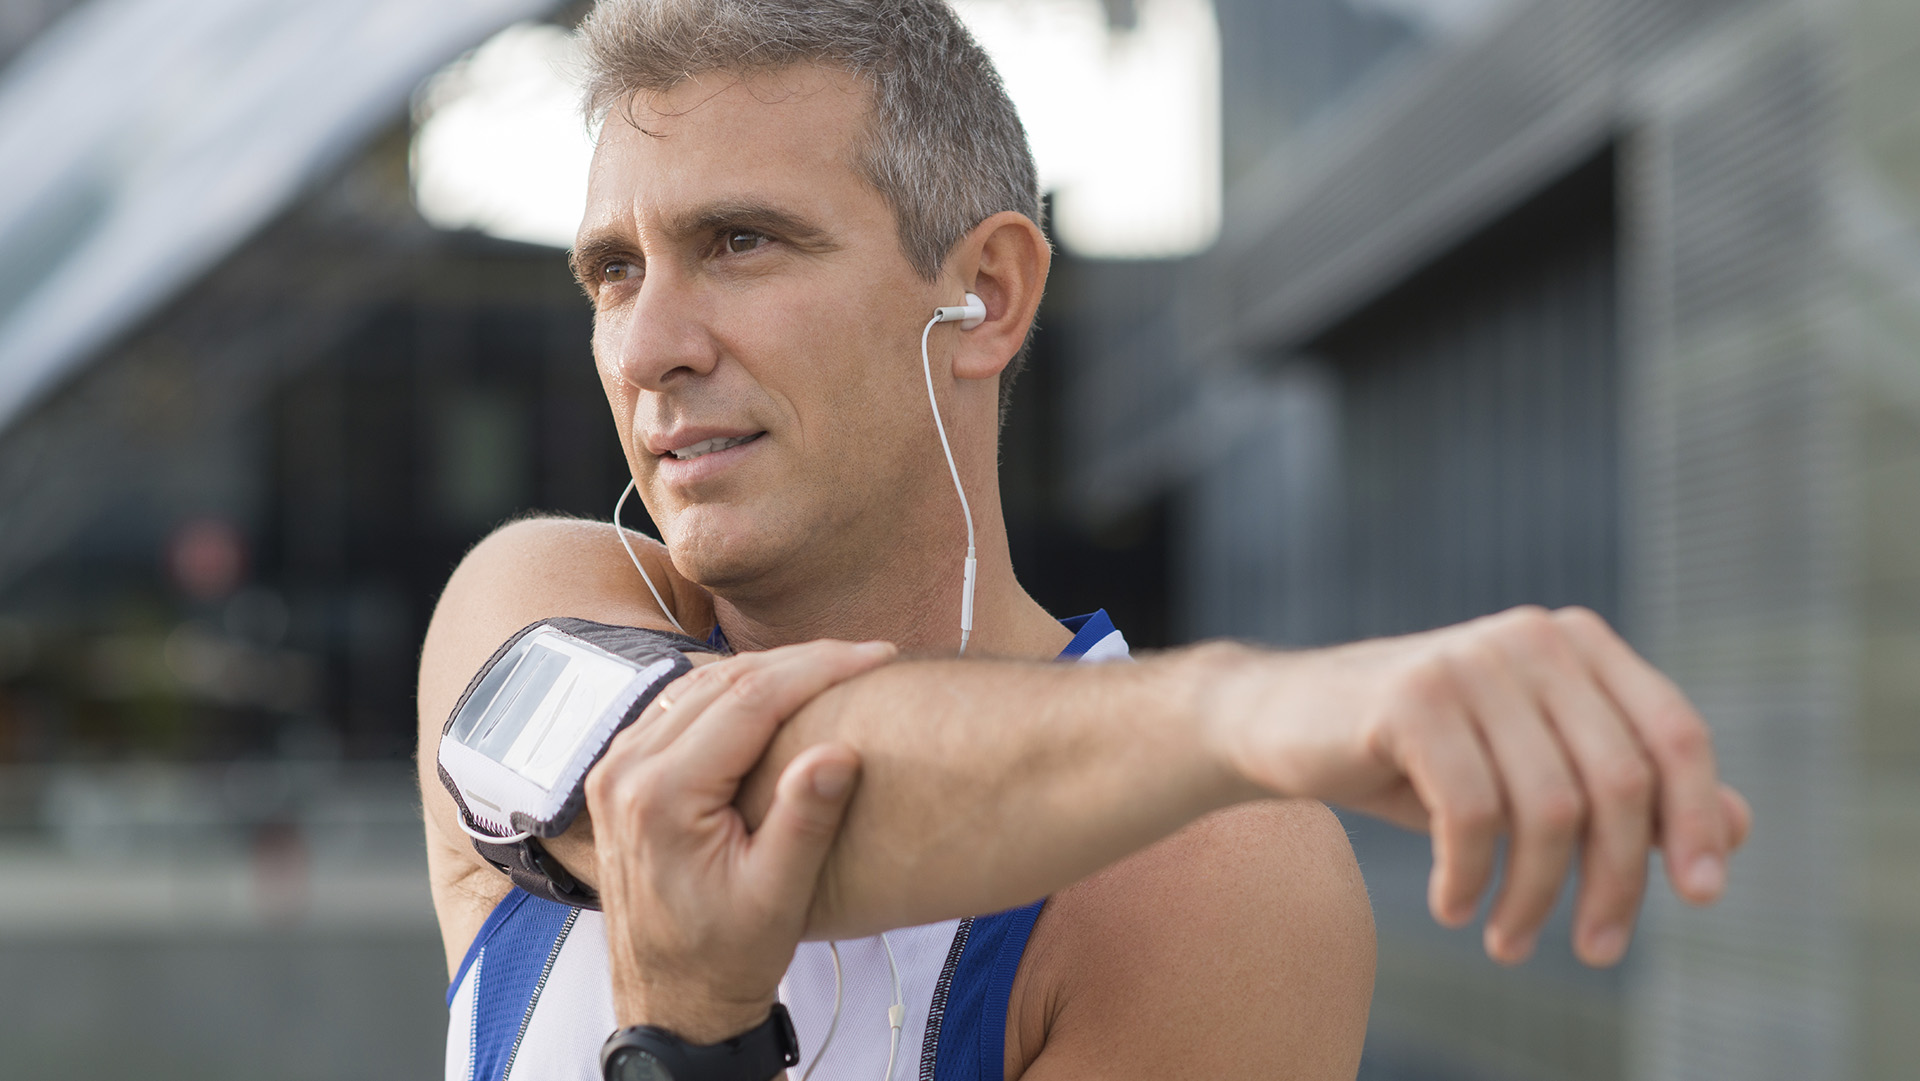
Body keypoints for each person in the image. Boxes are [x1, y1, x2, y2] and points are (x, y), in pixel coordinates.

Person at [416, 2, 1752, 1078]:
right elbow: (738, 775)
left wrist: (694, 1045)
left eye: (742, 241)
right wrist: (1249, 706)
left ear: (986, 295)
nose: (650, 347)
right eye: (614, 272)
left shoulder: (1203, 879)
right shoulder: (527, 601)